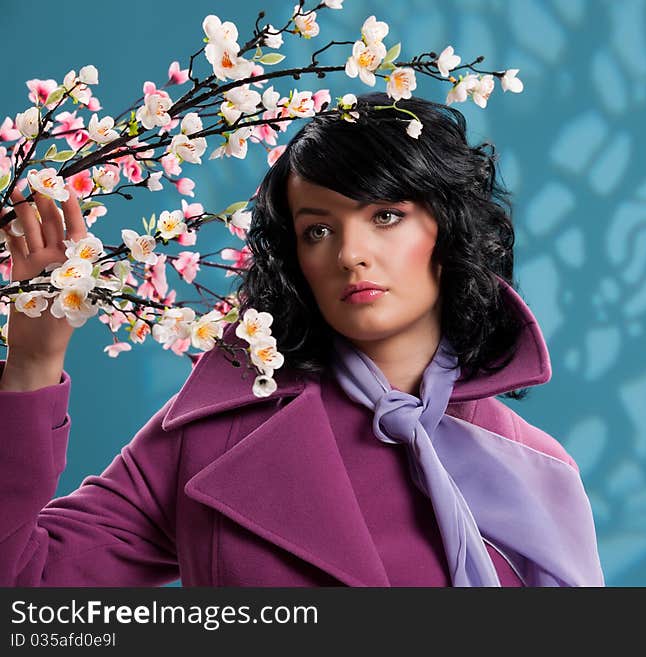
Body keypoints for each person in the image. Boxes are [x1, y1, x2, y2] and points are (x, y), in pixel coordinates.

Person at [0, 93, 604, 587]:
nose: (349, 254)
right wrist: (33, 360)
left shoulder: (536, 469)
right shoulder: (218, 434)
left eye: (385, 216)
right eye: (318, 229)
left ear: (448, 228)